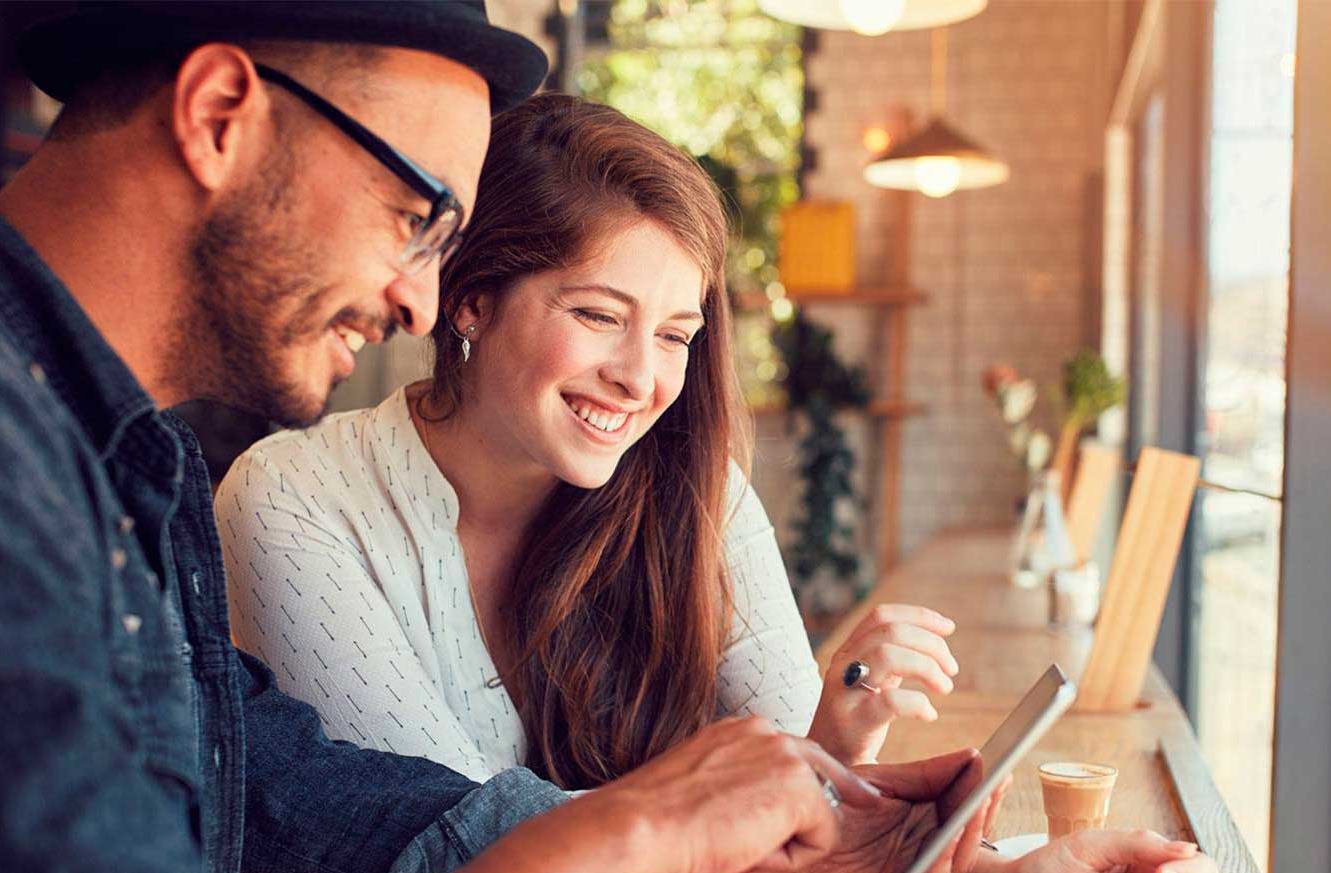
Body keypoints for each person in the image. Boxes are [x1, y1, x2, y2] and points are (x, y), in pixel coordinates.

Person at [0, 3, 1217, 873]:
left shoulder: (113, 450)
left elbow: (312, 789)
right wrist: (637, 842)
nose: (414, 294)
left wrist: (792, 847)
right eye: (415, 218)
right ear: (219, 114)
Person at [216, 92, 959, 791]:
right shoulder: (291, 497)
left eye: (674, 335)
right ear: (471, 301)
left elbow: (805, 796)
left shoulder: (698, 488)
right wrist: (762, 804)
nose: (641, 380)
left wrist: (836, 748)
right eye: (600, 316)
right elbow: (449, 834)